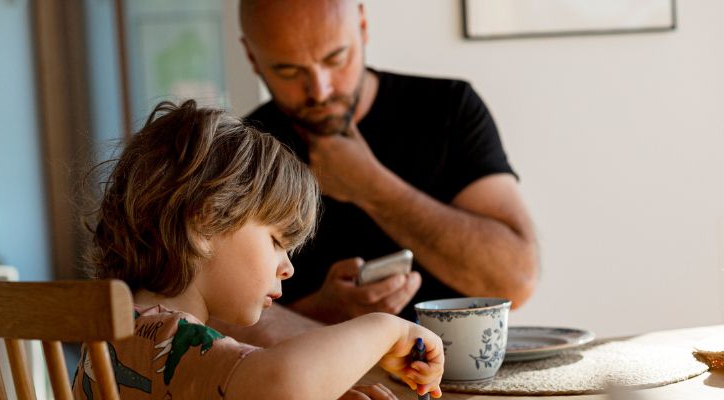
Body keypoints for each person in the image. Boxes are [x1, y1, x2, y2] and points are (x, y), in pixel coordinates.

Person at [74, 100, 444, 400]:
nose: (287, 268)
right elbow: (283, 384)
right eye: (277, 241)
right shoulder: (167, 338)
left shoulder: (117, 331)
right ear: (205, 222)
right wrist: (387, 330)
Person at [226, 0, 540, 341]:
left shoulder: (448, 108)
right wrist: (323, 312)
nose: (320, 90)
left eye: (336, 59)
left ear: (362, 26)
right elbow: (209, 324)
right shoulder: (240, 155)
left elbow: (516, 280)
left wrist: (371, 186)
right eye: (288, 71)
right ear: (252, 58)